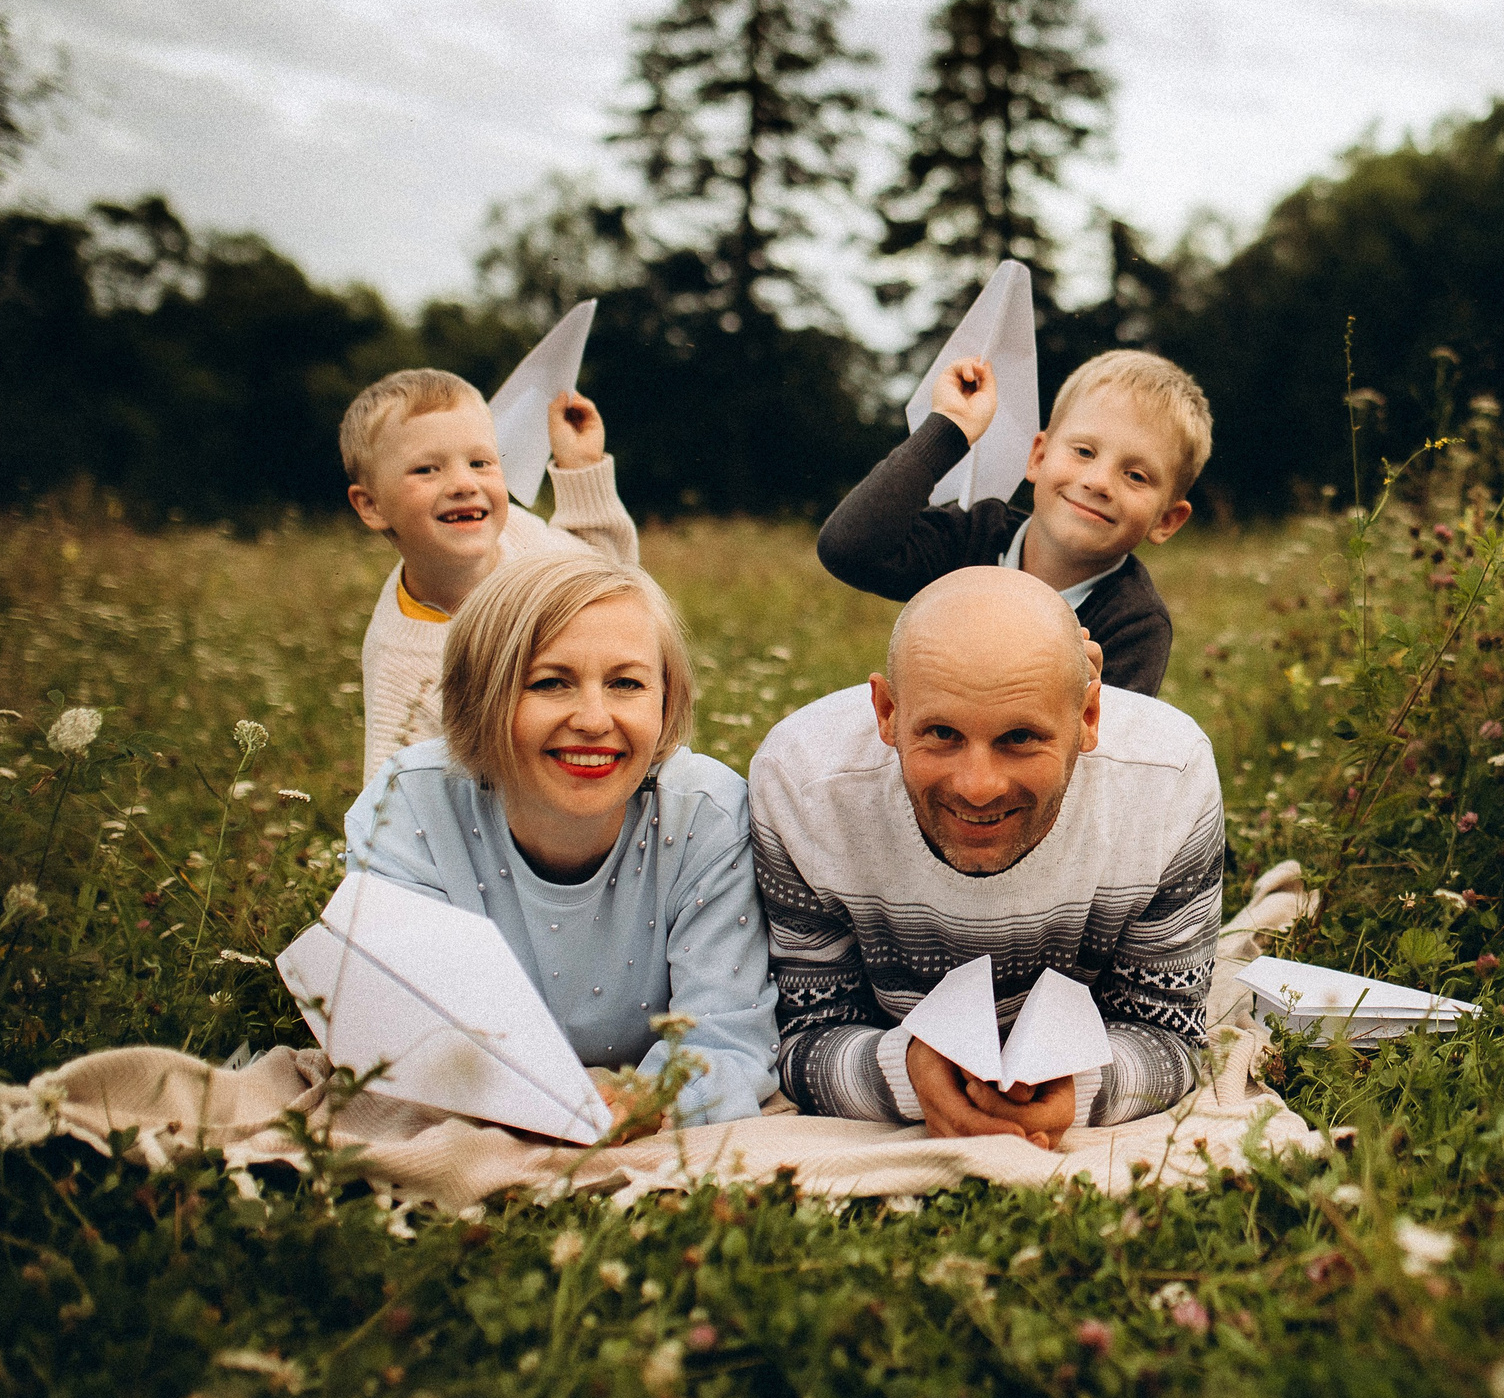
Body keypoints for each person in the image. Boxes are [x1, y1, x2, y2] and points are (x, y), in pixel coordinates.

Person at [748, 567, 1222, 1148]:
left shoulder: (1169, 781)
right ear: (887, 710)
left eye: (1019, 738)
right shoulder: (803, 784)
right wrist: (909, 1075)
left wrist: (1075, 1090)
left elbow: (1168, 1032)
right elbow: (802, 1029)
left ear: (1088, 716)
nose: (978, 786)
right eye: (942, 733)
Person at [345, 552, 776, 1131]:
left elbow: (727, 1039)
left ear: (666, 699)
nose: (594, 719)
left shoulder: (707, 819)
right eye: (551, 683)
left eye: (626, 683)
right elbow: (395, 1030)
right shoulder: (412, 804)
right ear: (482, 697)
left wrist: (637, 1106)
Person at [814, 350, 1212, 697]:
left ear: (1167, 520)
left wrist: (1080, 705)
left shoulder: (1134, 622)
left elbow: (1104, 766)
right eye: (1084, 451)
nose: (1098, 482)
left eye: (1136, 476)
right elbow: (848, 550)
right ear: (1038, 457)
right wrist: (949, 428)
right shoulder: (973, 537)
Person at [341, 367, 638, 783]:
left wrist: (581, 465)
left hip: (610, 756)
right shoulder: (400, 660)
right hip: (508, 822)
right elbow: (393, 799)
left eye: (480, 462)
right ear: (371, 505)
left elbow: (612, 586)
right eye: (427, 470)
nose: (463, 483)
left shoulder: (524, 535)